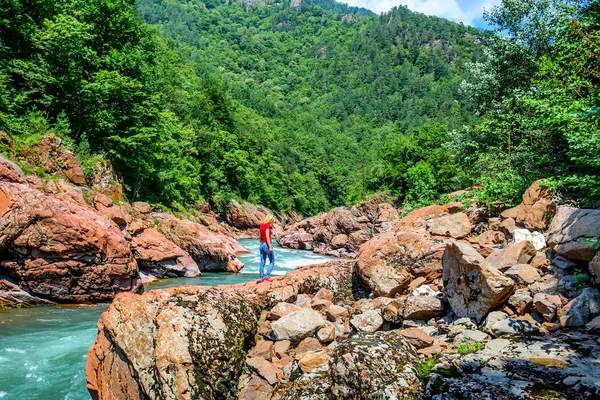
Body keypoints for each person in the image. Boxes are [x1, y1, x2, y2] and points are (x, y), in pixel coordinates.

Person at [258, 215, 276, 283]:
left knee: (262, 262)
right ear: (270, 220)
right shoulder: (267, 226)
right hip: (266, 244)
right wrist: (270, 247)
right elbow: (267, 237)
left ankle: (261, 278)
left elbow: (260, 236)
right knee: (272, 261)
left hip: (261, 244)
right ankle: (267, 276)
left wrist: (261, 243)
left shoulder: (261, 225)